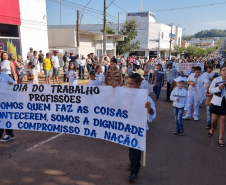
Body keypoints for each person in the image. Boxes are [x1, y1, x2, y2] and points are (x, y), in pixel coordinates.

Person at [127, 73, 156, 182]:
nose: (129, 86)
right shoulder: (125, 94)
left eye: (132, 84)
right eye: (128, 84)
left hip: (139, 126)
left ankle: (134, 170)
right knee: (130, 145)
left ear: (139, 84)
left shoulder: (145, 97)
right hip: (128, 125)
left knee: (136, 148)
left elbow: (152, 113)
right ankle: (132, 163)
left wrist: (149, 108)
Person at [208, 65, 226, 147]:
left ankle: (220, 138)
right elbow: (210, 90)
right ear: (220, 72)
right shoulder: (216, 80)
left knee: (223, 119)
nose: (225, 72)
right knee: (214, 120)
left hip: (225, 102)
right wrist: (218, 88)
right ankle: (212, 129)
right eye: (224, 70)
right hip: (216, 102)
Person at [0, 68, 16, 142]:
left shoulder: (4, 76)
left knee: (5, 117)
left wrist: (11, 85)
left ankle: (9, 134)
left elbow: (15, 86)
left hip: (5, 102)